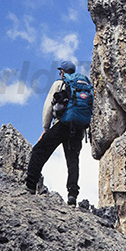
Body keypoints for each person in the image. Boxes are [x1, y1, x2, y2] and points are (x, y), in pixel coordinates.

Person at [24, 61, 88, 206]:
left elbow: (48, 106)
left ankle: (30, 185)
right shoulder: (83, 87)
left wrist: (46, 128)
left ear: (63, 72)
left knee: (39, 151)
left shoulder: (59, 84)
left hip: (62, 125)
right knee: (73, 162)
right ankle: (72, 195)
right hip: (78, 129)